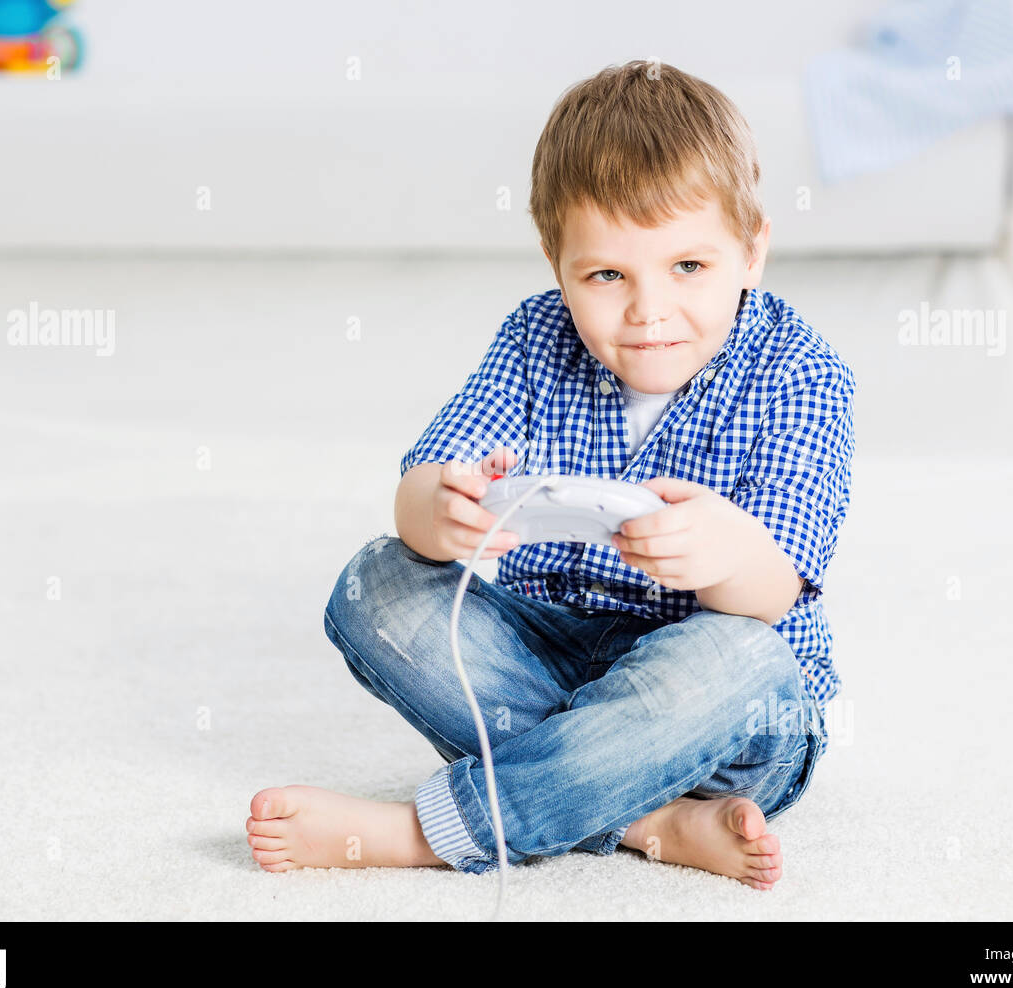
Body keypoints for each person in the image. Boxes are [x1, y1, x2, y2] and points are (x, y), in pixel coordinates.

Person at [246, 60, 856, 890]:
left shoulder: (802, 373)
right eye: (608, 275)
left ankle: (432, 832)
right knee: (377, 584)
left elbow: (773, 593)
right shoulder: (536, 339)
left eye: (689, 268)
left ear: (751, 253)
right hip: (557, 652)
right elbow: (421, 493)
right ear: (556, 261)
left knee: (738, 658)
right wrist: (445, 509)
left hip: (722, 717)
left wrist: (722, 554)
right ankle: (644, 819)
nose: (648, 312)